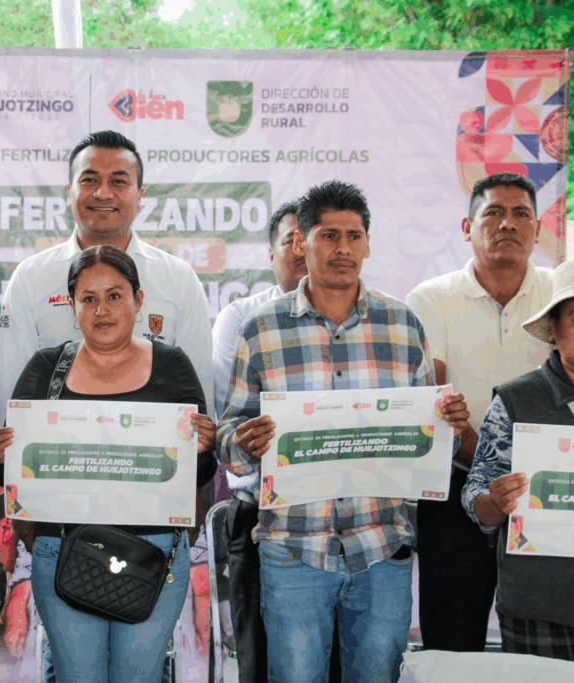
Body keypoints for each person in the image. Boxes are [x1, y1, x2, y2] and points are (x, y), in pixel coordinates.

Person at [216, 180, 470, 683]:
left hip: (381, 548)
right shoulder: (261, 328)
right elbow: (229, 435)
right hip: (293, 549)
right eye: (328, 235)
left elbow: (430, 438)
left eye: (354, 236)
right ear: (300, 243)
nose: (343, 249)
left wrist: (449, 427)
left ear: (368, 244)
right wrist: (242, 441)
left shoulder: (402, 324)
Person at [0, 245, 217, 683]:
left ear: (138, 300)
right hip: (63, 550)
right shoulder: (45, 369)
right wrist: (0, 455)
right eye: (88, 298)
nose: (102, 310)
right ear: (72, 306)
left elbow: (200, 474)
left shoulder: (172, 366)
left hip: (153, 552)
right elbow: (9, 473)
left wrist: (204, 448)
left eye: (115, 295)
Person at [463, 254, 574, 680]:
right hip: (540, 606)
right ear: (555, 328)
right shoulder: (515, 401)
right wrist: (496, 502)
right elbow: (475, 498)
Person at [405, 172, 554, 651]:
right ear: (467, 227)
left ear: (538, 228)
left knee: (542, 642)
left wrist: (520, 479)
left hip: (547, 491)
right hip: (454, 489)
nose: (507, 224)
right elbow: (437, 404)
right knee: (453, 641)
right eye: (493, 212)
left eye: (521, 214)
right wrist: (491, 471)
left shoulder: (561, 295)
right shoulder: (432, 298)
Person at [0, 130, 214, 423]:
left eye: (119, 181)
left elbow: (199, 403)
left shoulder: (178, 278)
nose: (103, 193)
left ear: (140, 196)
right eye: (90, 180)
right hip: (55, 446)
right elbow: (11, 395)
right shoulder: (30, 278)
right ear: (69, 193)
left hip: (154, 446)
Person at [211, 198, 306, 683]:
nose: (304, 249)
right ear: (271, 254)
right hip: (259, 515)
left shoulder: (375, 322)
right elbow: (227, 419)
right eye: (292, 240)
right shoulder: (241, 319)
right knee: (261, 664)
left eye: (316, 237)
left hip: (347, 518)